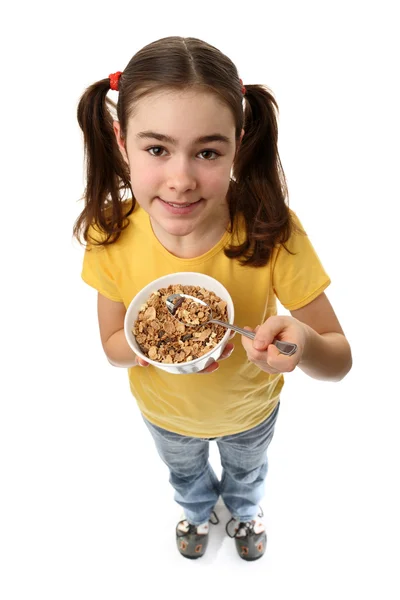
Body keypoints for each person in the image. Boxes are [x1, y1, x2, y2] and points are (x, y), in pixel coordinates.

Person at [74, 36, 352, 561]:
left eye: (207, 151)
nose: (180, 181)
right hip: (164, 412)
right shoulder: (109, 233)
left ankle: (245, 513)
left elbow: (339, 359)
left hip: (250, 411)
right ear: (120, 140)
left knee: (248, 471)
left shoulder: (271, 232)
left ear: (238, 144)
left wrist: (303, 345)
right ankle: (197, 511)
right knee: (183, 472)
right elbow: (111, 343)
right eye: (156, 149)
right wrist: (152, 350)